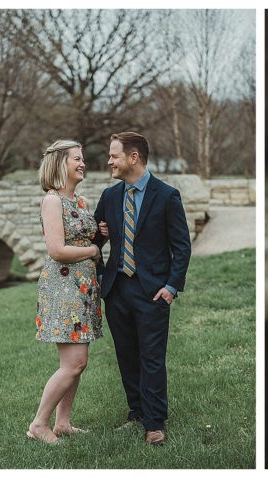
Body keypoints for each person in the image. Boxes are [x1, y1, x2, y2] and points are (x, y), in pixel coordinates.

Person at [93, 131, 191, 446]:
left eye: (114, 155)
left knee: (151, 357)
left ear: (133, 157)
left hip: (152, 292)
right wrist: (101, 240)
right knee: (126, 355)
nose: (109, 161)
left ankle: (154, 422)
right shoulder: (109, 196)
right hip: (117, 290)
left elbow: (182, 247)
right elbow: (94, 242)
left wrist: (171, 287)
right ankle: (136, 412)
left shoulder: (166, 196)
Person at [28, 139, 104, 444]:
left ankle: (62, 423)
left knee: (75, 363)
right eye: (77, 159)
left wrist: (99, 236)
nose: (82, 163)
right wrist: (93, 251)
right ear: (61, 164)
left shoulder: (81, 201)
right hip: (63, 288)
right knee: (74, 363)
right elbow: (57, 249)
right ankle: (38, 424)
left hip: (83, 288)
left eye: (83, 158)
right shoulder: (52, 201)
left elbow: (83, 236)